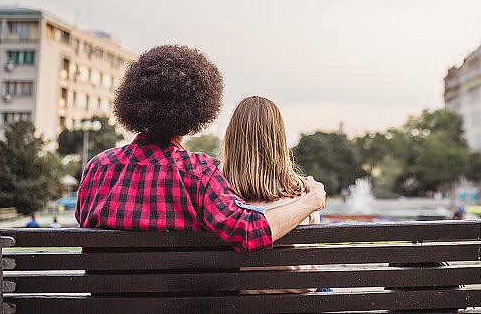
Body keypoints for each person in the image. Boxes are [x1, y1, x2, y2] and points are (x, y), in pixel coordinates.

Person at [76, 45, 325, 253]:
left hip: (108, 300)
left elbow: (83, 223)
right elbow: (249, 232)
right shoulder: (200, 173)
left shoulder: (98, 167)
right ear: (196, 112)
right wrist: (311, 201)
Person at [222, 96, 324, 293]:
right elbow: (312, 263)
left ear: (232, 139)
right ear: (279, 140)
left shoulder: (217, 194)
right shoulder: (306, 192)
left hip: (241, 303)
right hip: (298, 304)